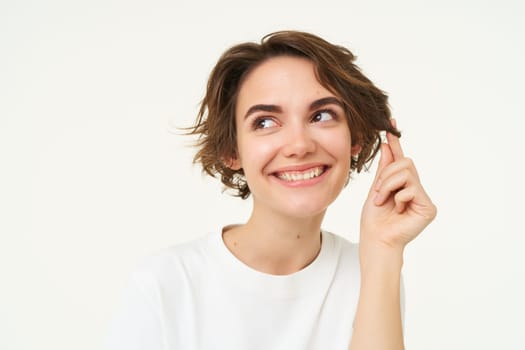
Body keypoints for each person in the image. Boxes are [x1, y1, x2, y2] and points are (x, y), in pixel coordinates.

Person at [105, 31, 436, 350]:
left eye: (322, 115)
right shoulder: (165, 284)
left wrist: (383, 249)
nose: (299, 145)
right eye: (264, 122)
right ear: (231, 151)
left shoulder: (371, 271)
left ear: (356, 138)